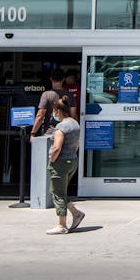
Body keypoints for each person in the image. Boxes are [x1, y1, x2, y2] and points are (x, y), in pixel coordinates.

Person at [45, 95, 84, 235]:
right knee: (60, 191)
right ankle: (76, 213)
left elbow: (56, 147)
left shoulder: (61, 127)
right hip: (72, 161)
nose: (53, 114)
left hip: (60, 163)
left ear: (58, 111)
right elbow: (76, 145)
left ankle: (61, 225)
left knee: (58, 194)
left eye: (54, 111)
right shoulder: (75, 124)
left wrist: (52, 160)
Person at [33, 68, 66, 138]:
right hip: (65, 132)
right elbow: (74, 115)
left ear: (50, 79)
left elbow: (40, 115)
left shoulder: (47, 95)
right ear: (63, 79)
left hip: (50, 133)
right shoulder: (69, 95)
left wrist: (33, 133)